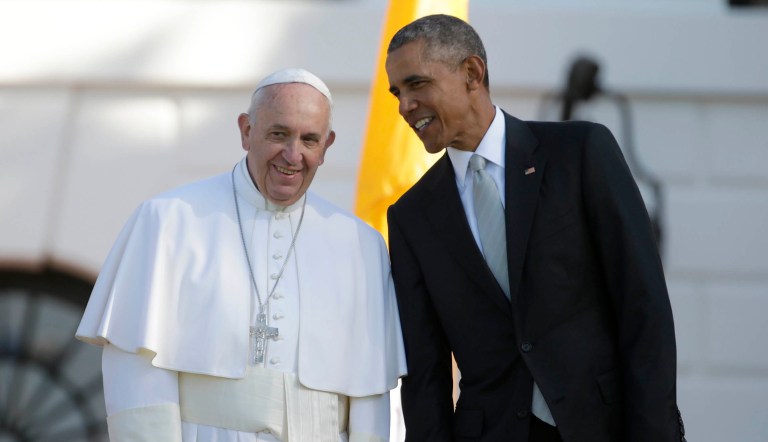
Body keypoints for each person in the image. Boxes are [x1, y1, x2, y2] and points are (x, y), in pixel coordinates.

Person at [384, 14, 685, 442]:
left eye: (416, 84)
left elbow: (644, 308)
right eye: (397, 93)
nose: (403, 106)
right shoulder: (411, 215)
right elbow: (425, 372)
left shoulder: (580, 153)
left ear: (472, 73)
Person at [76, 68, 407, 442]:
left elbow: (370, 391)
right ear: (246, 131)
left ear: (327, 146)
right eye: (278, 134)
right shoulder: (168, 220)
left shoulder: (360, 244)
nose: (293, 155)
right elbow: (136, 371)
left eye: (309, 140)